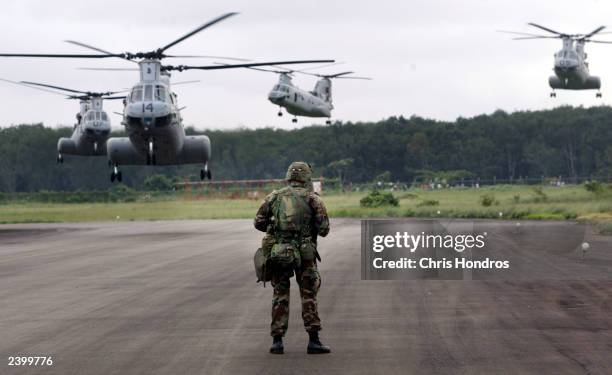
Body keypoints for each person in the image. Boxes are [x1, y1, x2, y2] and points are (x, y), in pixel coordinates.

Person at [254, 161, 331, 355]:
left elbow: (258, 222)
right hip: (306, 254)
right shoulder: (314, 199)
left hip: (280, 252)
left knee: (280, 294)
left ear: (289, 177)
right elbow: (324, 230)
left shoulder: (274, 197)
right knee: (308, 294)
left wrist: (276, 230)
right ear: (306, 178)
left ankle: (277, 341)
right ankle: (314, 341)